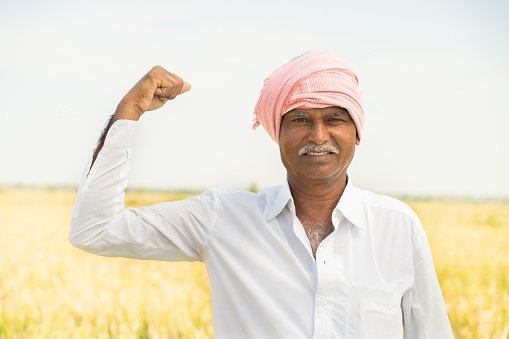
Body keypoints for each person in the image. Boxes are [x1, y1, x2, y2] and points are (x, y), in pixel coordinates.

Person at [69, 51, 454, 338]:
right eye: (299, 120)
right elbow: (95, 230)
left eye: (334, 118)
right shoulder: (224, 217)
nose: (318, 136)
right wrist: (129, 112)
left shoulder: (397, 227)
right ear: (276, 133)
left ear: (356, 132)